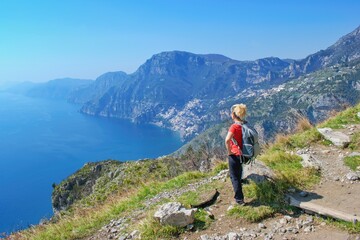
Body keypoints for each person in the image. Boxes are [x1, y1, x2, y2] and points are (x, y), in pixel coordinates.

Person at [225, 104, 247, 205]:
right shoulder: (245, 125)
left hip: (235, 154)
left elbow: (227, 140)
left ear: (233, 115)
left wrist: (229, 152)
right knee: (239, 171)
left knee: (234, 177)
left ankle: (239, 199)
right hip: (244, 153)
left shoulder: (234, 127)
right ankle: (241, 182)